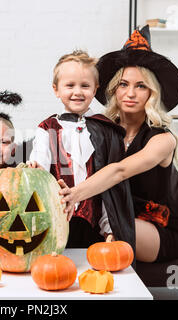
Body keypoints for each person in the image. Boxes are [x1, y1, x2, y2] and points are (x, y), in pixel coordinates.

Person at [59, 26, 178, 263]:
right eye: (123, 84)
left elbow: (119, 172)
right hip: (110, 214)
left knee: (114, 225)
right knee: (83, 221)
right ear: (113, 89)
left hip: (153, 226)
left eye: (141, 86)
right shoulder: (100, 129)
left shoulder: (163, 139)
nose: (130, 93)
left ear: (152, 92)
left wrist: (73, 196)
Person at [27, 50, 135, 251]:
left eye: (85, 86)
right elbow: (40, 159)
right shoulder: (46, 128)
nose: (78, 92)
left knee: (96, 269)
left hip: (94, 223)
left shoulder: (108, 131)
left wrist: (109, 228)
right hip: (56, 219)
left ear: (95, 90)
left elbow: (110, 188)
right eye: (70, 85)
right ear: (56, 90)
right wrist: (36, 168)